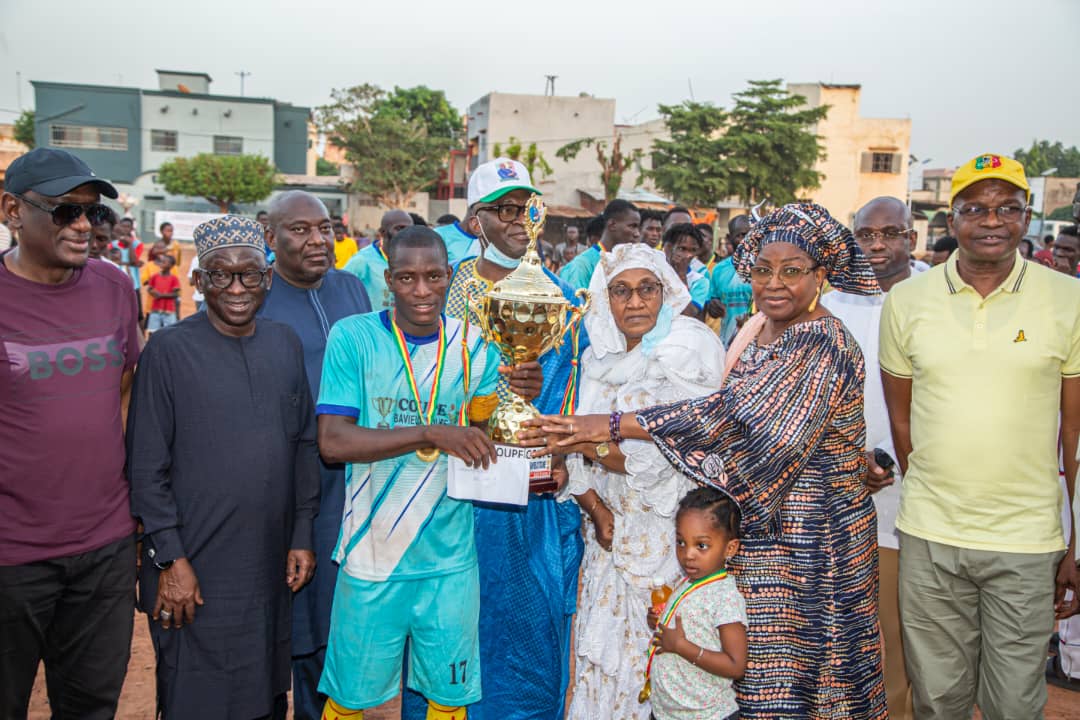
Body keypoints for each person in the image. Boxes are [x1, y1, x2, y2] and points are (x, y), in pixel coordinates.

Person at [530, 202, 888, 718]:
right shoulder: (761, 329)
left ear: (822, 275)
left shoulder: (820, 341)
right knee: (753, 684)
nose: (774, 282)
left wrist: (607, 427)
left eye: (792, 271)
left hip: (811, 549)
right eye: (763, 270)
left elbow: (734, 418)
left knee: (806, 682)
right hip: (760, 541)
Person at [880, 153, 1080, 719]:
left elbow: (1075, 432)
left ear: (1026, 216)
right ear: (952, 218)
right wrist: (935, 490)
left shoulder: (1068, 300)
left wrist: (1076, 542)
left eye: (1007, 207)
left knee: (1014, 703)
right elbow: (902, 419)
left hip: (1027, 539)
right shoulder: (907, 302)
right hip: (931, 536)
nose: (992, 220)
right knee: (938, 698)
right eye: (976, 208)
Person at [401, 160, 587, 720]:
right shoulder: (448, 287)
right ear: (476, 219)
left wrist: (556, 451)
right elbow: (424, 382)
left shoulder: (558, 293)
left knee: (528, 621)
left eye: (526, 208)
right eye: (503, 210)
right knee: (452, 622)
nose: (517, 221)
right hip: (456, 491)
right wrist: (481, 403)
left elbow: (575, 389)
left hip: (531, 496)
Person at [127, 215, 320, 720]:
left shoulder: (284, 344)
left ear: (268, 278)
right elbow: (146, 468)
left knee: (264, 694)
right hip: (194, 569)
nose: (237, 288)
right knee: (196, 698)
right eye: (220, 275)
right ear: (199, 280)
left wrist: (301, 532)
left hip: (267, 564)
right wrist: (170, 559)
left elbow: (302, 444)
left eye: (249, 274)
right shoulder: (168, 352)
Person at [523, 243, 725, 719]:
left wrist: (578, 441)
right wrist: (594, 507)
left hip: (670, 539)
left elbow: (667, 452)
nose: (635, 303)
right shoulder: (597, 360)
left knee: (662, 665)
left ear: (666, 292)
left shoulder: (687, 347)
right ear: (604, 299)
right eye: (620, 291)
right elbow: (583, 461)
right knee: (605, 663)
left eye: (646, 289)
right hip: (609, 539)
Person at [315, 226, 502, 720]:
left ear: (449, 277)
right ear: (388, 279)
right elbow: (333, 442)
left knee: (448, 696)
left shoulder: (477, 345)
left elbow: (486, 433)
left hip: (450, 559)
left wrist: (515, 392)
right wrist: (428, 433)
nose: (422, 291)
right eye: (407, 278)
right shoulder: (353, 337)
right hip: (371, 553)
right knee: (351, 698)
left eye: (434, 277)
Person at [0, 147, 140, 719]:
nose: (83, 226)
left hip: (103, 549)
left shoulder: (111, 287)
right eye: (64, 212)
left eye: (94, 213)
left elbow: (127, 390)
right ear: (12, 210)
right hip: (11, 558)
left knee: (90, 707)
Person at [257, 191, 371, 720]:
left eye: (324, 228)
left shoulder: (351, 288)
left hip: (353, 475)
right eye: (300, 229)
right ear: (270, 234)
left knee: (338, 613)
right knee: (297, 616)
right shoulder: (255, 297)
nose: (317, 240)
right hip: (286, 477)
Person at [819, 195, 916, 720]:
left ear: (912, 239)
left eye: (891, 233)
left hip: (910, 504)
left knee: (900, 639)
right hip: (837, 497)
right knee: (834, 635)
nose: (877, 244)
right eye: (865, 234)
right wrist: (846, 456)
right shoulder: (827, 309)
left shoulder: (934, 302)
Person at [649, 487, 748, 720]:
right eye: (681, 542)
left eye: (701, 545)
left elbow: (736, 665)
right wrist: (659, 620)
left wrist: (681, 646)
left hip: (707, 714)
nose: (688, 554)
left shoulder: (724, 597)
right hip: (669, 712)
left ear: (730, 548)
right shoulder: (687, 582)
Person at [559, 199, 642, 289]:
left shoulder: (631, 262)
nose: (637, 234)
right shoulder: (581, 266)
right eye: (632, 226)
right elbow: (575, 301)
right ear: (612, 225)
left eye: (638, 228)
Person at [342, 209, 413, 309]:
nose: (406, 234)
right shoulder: (362, 260)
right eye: (400, 228)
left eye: (409, 229)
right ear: (382, 233)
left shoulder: (414, 259)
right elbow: (339, 290)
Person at [709, 215, 753, 346]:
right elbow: (713, 305)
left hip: (757, 343)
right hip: (727, 343)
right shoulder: (719, 270)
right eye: (740, 235)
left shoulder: (765, 269)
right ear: (729, 238)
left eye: (750, 234)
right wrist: (714, 307)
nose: (746, 239)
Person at [661, 223, 709, 317]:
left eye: (693, 250)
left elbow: (688, 314)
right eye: (682, 248)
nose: (688, 255)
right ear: (668, 248)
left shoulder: (699, 281)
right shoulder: (656, 273)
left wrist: (681, 275)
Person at [146, 253, 181, 332]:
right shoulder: (154, 277)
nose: (161, 264)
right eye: (161, 262)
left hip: (169, 310)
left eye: (164, 262)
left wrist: (160, 295)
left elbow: (176, 294)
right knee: (153, 332)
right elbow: (149, 288)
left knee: (169, 332)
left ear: (171, 266)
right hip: (155, 309)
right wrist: (152, 292)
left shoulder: (174, 279)